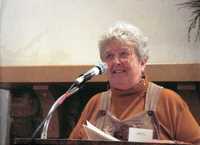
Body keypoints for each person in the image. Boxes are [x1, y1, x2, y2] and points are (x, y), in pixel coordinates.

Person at [69, 21, 200, 144]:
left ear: (142, 62)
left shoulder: (168, 101)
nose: (116, 62)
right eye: (109, 56)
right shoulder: (95, 103)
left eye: (124, 54)